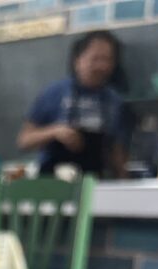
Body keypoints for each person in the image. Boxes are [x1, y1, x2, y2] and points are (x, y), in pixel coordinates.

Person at [17, 31, 127, 178]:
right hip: (54, 183)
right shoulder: (54, 93)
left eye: (107, 60)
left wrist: (123, 180)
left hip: (94, 182)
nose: (102, 66)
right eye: (95, 59)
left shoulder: (113, 101)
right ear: (78, 61)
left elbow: (116, 150)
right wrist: (56, 131)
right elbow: (24, 141)